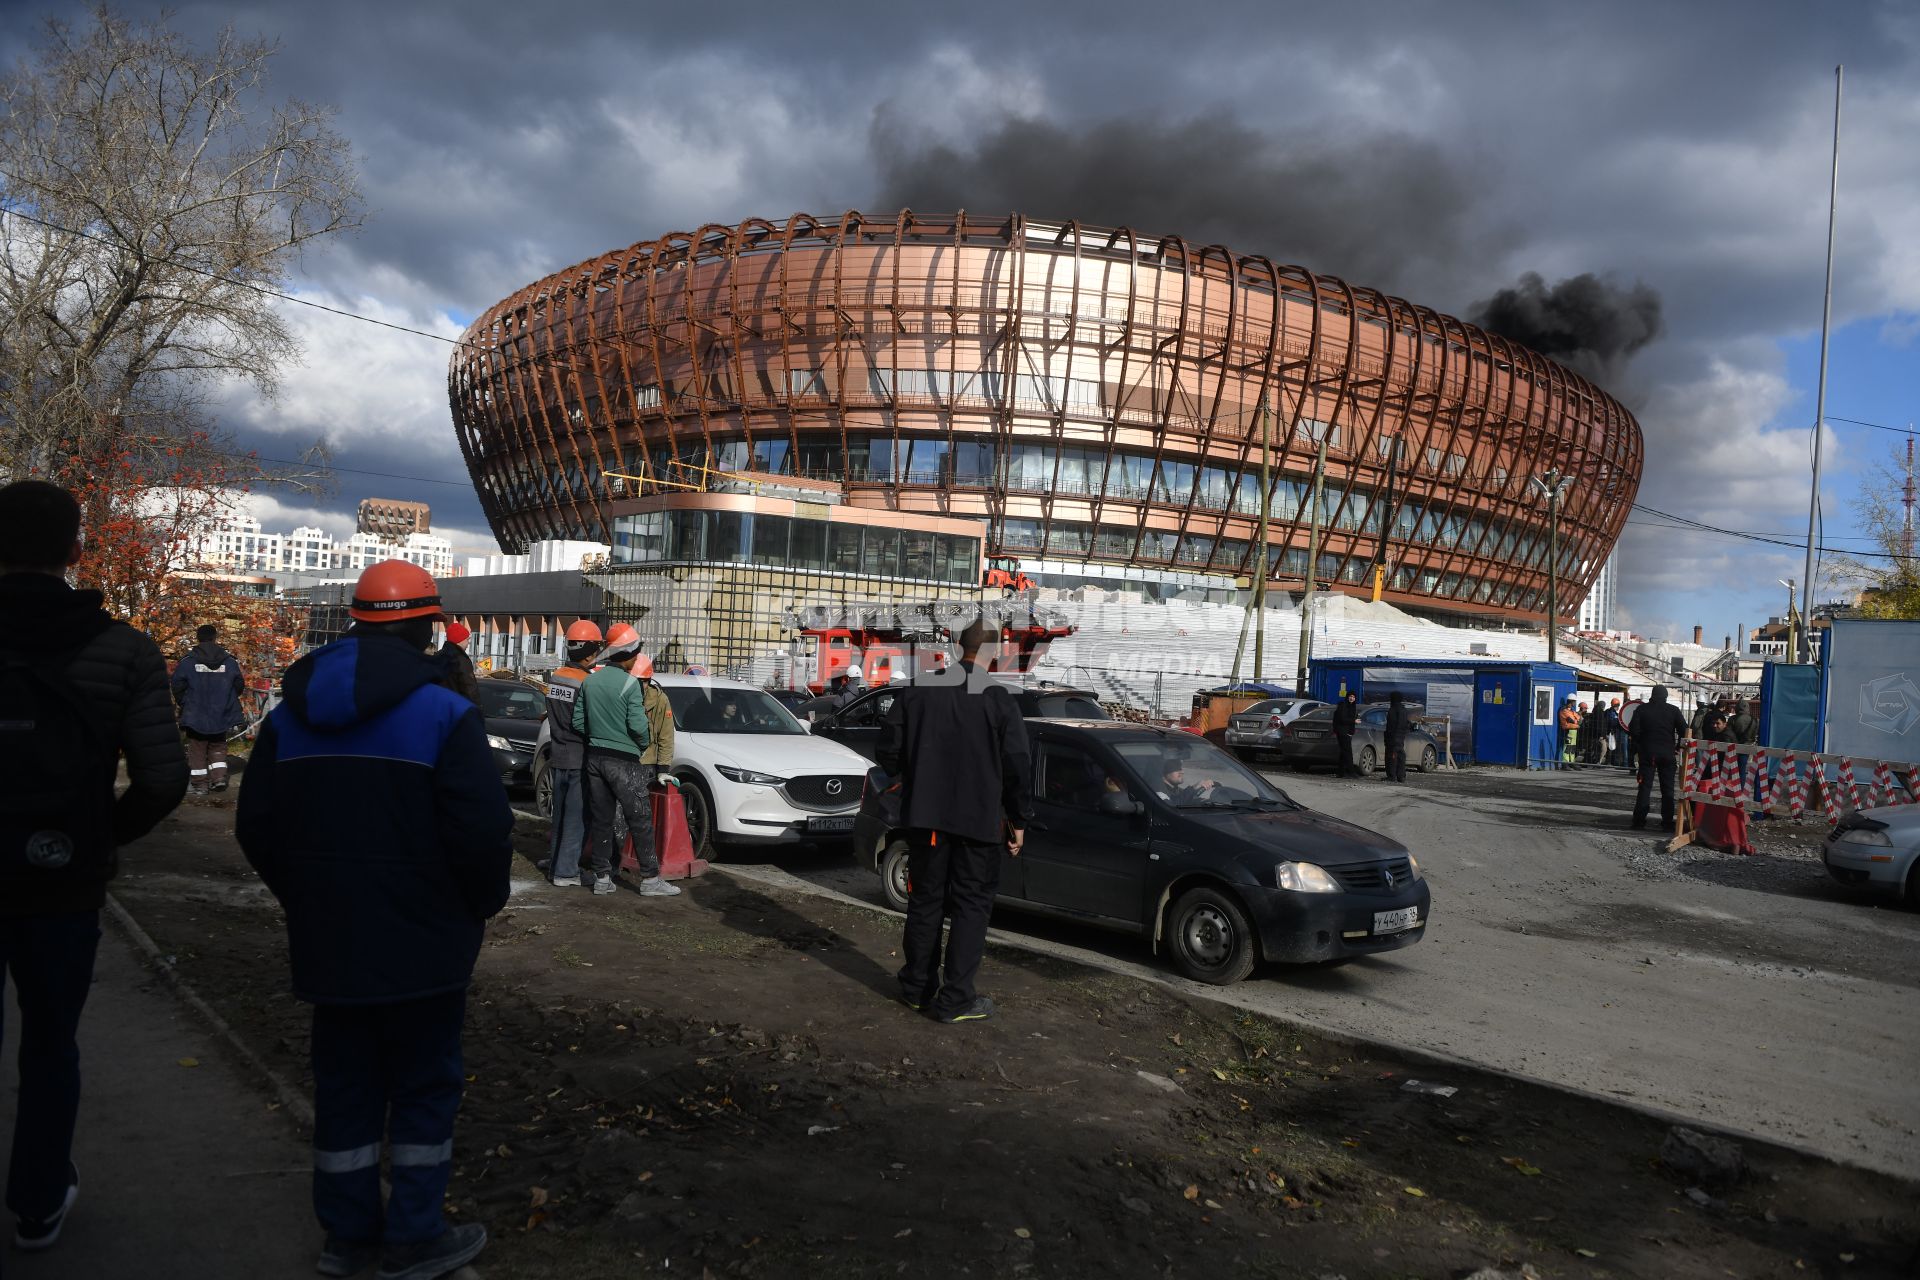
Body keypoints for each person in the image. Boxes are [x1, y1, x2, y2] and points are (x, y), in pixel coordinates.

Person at [235, 560, 508, 1280]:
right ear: (426, 626)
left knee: (345, 1086)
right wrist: (474, 906)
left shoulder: (290, 715)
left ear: (356, 620)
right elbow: (482, 835)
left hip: (330, 942)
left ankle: (348, 1237)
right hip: (426, 946)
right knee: (423, 1088)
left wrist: (307, 898)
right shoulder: (447, 716)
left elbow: (257, 825)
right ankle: (414, 1238)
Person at [0, 479, 188, 1254]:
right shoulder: (123, 650)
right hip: (62, 879)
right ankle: (38, 1202)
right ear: (77, 551)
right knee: (50, 1041)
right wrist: (99, 836)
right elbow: (165, 779)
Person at [879, 616, 1033, 1024]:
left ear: (955, 649)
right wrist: (1018, 820)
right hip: (979, 824)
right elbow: (1018, 765)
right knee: (971, 907)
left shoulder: (919, 690)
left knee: (925, 901)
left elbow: (888, 751)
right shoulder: (1000, 700)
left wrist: (913, 774)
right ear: (993, 653)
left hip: (926, 820)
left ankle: (917, 989)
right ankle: (956, 998)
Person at [573, 627, 678, 897]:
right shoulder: (630, 684)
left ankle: (602, 878)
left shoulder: (591, 681)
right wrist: (640, 745)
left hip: (595, 757)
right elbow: (639, 727)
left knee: (602, 819)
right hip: (625, 761)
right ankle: (650, 879)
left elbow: (578, 722)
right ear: (629, 653)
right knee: (639, 819)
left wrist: (600, 736)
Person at [539, 619, 603, 886]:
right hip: (579, 757)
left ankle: (556, 866)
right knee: (576, 818)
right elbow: (588, 722)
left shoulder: (557, 677)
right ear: (589, 651)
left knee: (560, 817)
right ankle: (566, 873)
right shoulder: (587, 683)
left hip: (558, 755)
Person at [171, 622, 247, 795]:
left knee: (197, 748)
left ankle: (200, 785)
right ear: (215, 638)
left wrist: (185, 702)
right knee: (218, 745)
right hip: (221, 713)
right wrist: (225, 700)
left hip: (195, 713)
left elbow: (177, 685)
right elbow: (239, 684)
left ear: (198, 638)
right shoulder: (229, 661)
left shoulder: (188, 661)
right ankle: (219, 778)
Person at [1629, 685, 1689, 832]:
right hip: (1668, 754)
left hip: (1648, 754)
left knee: (1644, 788)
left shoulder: (1642, 710)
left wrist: (1641, 745)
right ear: (1665, 696)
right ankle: (1667, 822)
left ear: (1652, 695)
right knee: (1668, 789)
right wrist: (1677, 747)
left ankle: (1639, 822)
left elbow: (1633, 730)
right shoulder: (1673, 710)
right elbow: (1685, 730)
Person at [436, 620, 479, 702]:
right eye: (467, 639)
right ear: (459, 640)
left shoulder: (438, 656)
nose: (468, 643)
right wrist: (477, 709)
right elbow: (470, 689)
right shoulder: (461, 660)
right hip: (458, 708)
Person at [1384, 691, 1411, 783]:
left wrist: (1388, 737)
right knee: (1400, 756)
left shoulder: (1393, 709)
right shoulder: (1404, 710)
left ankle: (1392, 776)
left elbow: (1390, 725)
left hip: (1393, 737)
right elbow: (1407, 724)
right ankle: (1401, 776)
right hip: (1401, 736)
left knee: (1392, 756)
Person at [1332, 691, 1360, 777]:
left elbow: (1351, 720)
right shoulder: (1343, 705)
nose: (1352, 698)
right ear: (1347, 697)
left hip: (1347, 732)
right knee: (1348, 752)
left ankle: (1340, 773)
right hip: (1342, 731)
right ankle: (1351, 772)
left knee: (1343, 752)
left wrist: (1351, 732)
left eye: (1354, 697)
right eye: (1350, 696)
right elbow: (1342, 719)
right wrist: (1354, 721)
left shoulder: (1353, 706)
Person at [1558, 697, 1581, 768]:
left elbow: (1579, 718)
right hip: (1568, 730)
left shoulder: (1572, 711)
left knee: (1572, 747)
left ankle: (1571, 761)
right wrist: (1576, 720)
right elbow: (1571, 720)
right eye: (1574, 701)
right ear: (1571, 702)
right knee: (1567, 747)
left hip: (1574, 731)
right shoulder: (1564, 710)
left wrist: (1577, 720)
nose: (1575, 703)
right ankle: (1565, 763)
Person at [1605, 698, 1625, 767]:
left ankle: (1613, 761)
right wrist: (1619, 722)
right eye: (1618, 706)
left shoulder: (1614, 713)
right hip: (1611, 732)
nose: (1618, 707)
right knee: (1611, 747)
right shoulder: (1610, 712)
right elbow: (1611, 722)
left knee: (1613, 747)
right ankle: (1609, 762)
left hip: (1615, 732)